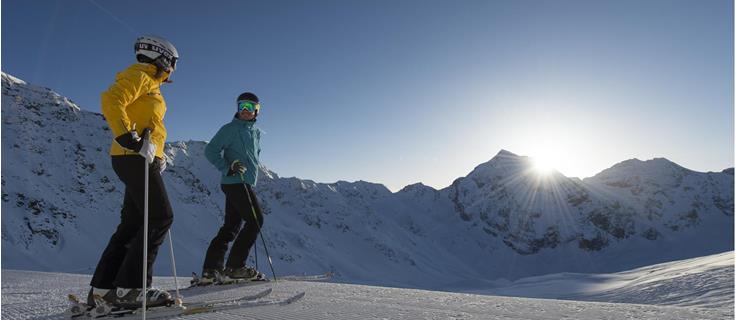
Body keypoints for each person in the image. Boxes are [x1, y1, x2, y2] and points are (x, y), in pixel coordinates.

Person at [89, 35, 178, 309]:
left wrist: (158, 155)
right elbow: (112, 99)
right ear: (162, 57)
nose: (173, 68)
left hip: (138, 157)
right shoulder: (141, 76)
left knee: (133, 223)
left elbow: (149, 123)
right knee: (161, 216)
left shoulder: (149, 82)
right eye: (173, 62)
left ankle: (103, 290)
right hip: (132, 155)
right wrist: (128, 137)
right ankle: (131, 289)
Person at [200, 92, 264, 284]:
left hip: (244, 182)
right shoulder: (229, 129)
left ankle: (211, 270)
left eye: (249, 107)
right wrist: (228, 168)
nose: (245, 110)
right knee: (256, 221)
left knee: (231, 227)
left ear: (256, 111)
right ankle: (235, 268)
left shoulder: (256, 132)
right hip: (235, 182)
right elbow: (210, 150)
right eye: (241, 106)